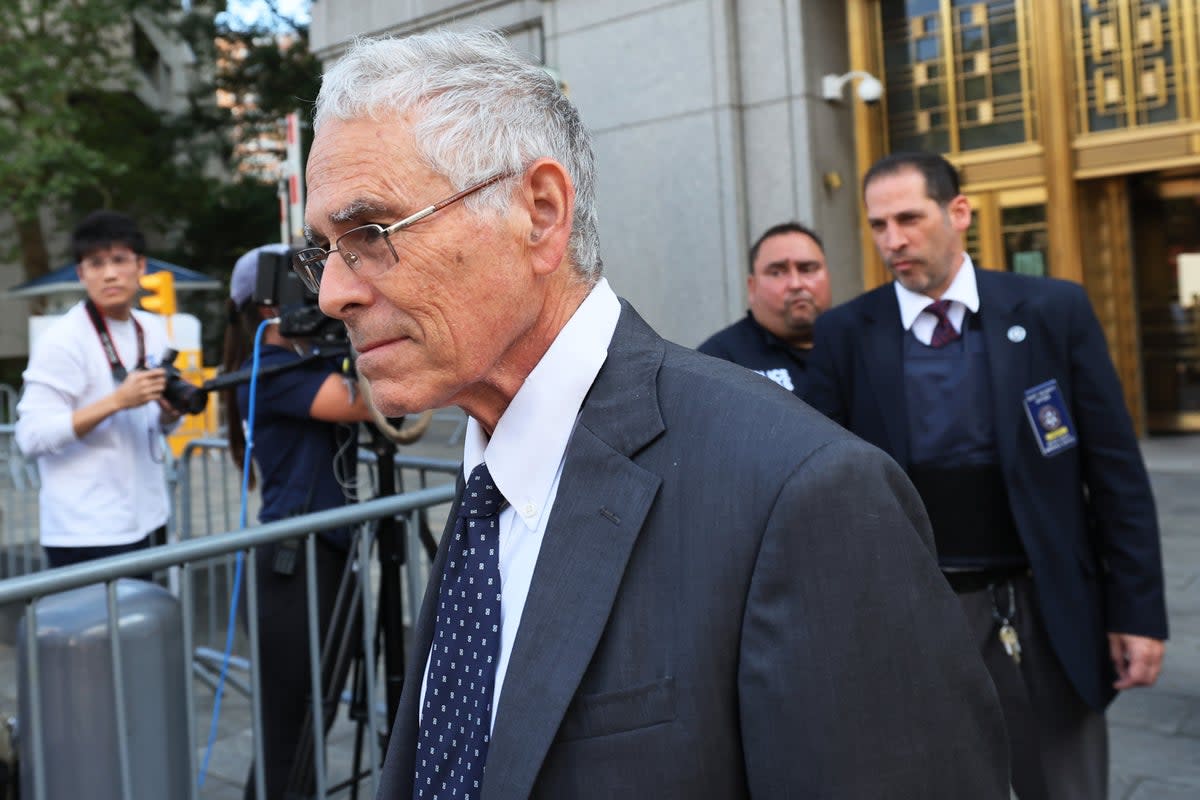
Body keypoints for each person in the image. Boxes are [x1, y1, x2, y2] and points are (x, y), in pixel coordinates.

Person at [299, 30, 1009, 799]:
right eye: (325, 249)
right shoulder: (489, 483)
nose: (332, 292)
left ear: (539, 212)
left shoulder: (802, 494)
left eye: (369, 234)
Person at [806, 151, 1169, 799]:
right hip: (922, 611)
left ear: (959, 212)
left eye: (909, 219)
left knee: (1064, 780)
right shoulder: (846, 336)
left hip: (1048, 604)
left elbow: (1114, 472)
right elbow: (823, 492)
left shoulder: (1053, 311)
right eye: (879, 225)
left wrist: (1137, 612)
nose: (894, 240)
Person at [221, 243, 373, 799]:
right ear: (264, 306)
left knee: (317, 720)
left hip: (326, 551)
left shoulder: (304, 359)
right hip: (294, 564)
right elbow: (365, 402)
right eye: (302, 281)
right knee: (291, 735)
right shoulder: (267, 369)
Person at [15, 210, 179, 570]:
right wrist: (117, 402)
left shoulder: (152, 328)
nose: (109, 273)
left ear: (140, 266)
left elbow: (161, 424)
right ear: (81, 273)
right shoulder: (62, 340)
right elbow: (30, 438)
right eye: (96, 263)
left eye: (120, 260)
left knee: (149, 624)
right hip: (86, 531)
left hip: (151, 517)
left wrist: (169, 413)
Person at [698, 221, 832, 396]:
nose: (796, 284)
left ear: (828, 276)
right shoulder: (719, 361)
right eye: (777, 272)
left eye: (807, 269)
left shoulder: (856, 346)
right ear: (752, 287)